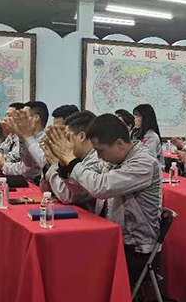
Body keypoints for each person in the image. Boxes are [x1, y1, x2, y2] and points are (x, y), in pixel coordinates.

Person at [46, 113, 162, 285]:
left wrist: (72, 162)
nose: (99, 156)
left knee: (83, 275)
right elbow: (82, 188)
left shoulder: (144, 163)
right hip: (112, 236)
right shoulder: (112, 160)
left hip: (136, 248)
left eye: (100, 150)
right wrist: (64, 166)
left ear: (119, 144)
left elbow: (100, 187)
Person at [40, 110, 105, 214]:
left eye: (67, 137)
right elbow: (46, 191)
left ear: (82, 137)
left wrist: (54, 165)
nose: (63, 142)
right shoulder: (76, 157)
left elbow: (67, 196)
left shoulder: (96, 160)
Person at [0, 101, 49, 184]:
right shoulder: (23, 137)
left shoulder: (46, 140)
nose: (19, 121)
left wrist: (3, 165)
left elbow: (29, 170)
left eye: (24, 117)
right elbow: (25, 162)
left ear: (36, 118)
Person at [132, 103, 164, 168]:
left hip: (152, 169)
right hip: (139, 167)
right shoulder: (135, 133)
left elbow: (147, 159)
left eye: (137, 116)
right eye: (134, 116)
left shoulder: (152, 137)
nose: (134, 119)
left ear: (145, 118)